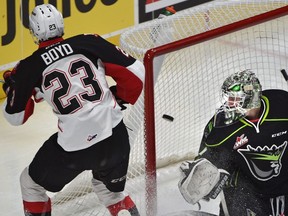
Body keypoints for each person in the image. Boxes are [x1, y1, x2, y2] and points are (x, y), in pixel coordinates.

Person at [2, 4, 145, 216]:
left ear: (33, 32)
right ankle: (120, 207)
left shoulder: (28, 67)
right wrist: (119, 97)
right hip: (116, 141)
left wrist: (14, 87)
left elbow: (16, 117)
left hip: (75, 151)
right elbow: (136, 73)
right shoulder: (90, 42)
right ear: (61, 23)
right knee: (108, 190)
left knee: (30, 184)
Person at [178, 69, 288, 216]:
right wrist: (200, 172)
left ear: (251, 98)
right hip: (247, 193)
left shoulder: (282, 104)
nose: (229, 104)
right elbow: (208, 160)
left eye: (234, 98)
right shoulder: (220, 125)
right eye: (229, 98)